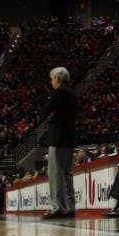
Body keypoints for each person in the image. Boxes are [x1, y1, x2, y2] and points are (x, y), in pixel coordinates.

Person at [41, 66, 78, 219]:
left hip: (58, 138)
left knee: (56, 173)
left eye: (52, 79)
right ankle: (69, 207)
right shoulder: (72, 93)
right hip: (69, 137)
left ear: (57, 78)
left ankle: (58, 207)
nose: (51, 82)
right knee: (67, 173)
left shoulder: (59, 92)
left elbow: (44, 111)